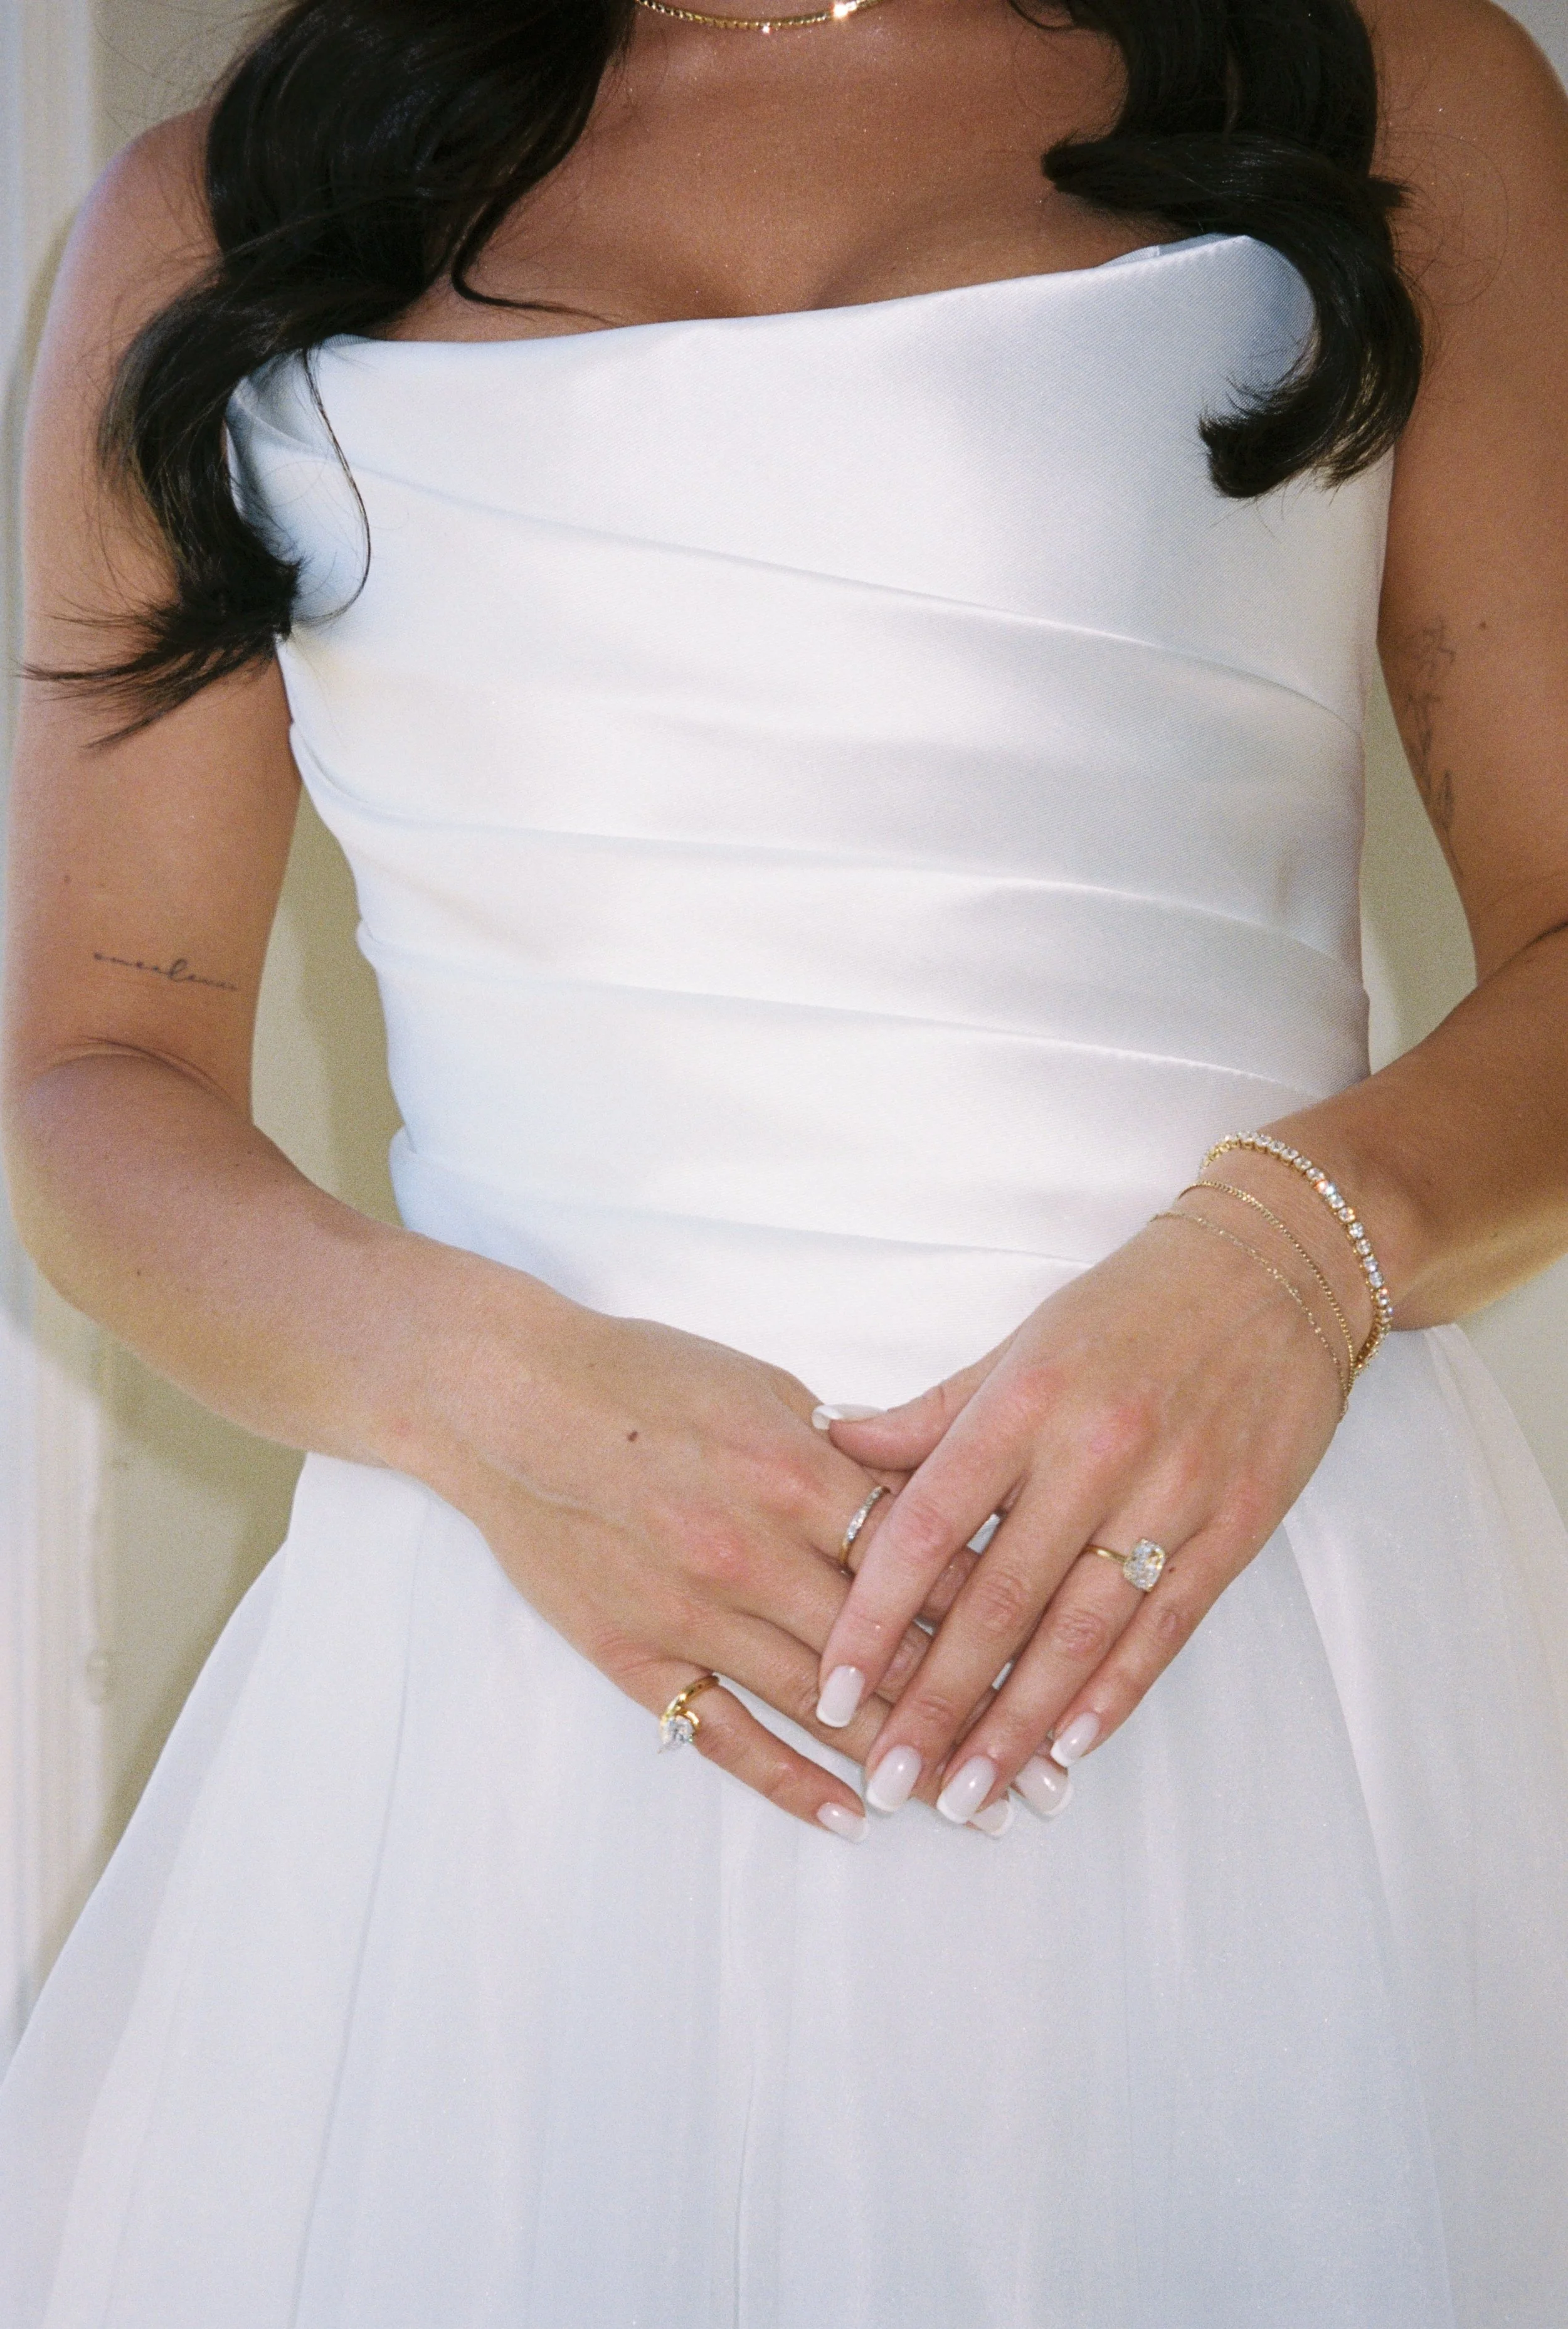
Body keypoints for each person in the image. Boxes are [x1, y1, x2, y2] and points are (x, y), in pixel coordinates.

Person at [3, 0, 1568, 2319]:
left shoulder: (1372, 82)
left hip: (1243, 1630)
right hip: (527, 1672)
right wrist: (485, 1395)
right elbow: (88, 1079)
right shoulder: (214, 219)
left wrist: (1290, 1261)